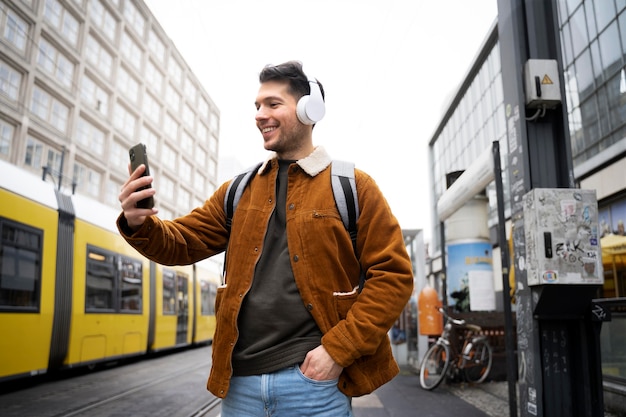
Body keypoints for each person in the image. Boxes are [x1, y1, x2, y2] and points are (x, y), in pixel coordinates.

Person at [117, 60, 414, 416]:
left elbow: (393, 277)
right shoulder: (238, 191)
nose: (260, 114)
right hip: (239, 386)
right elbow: (179, 242)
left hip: (314, 386)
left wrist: (336, 352)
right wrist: (139, 223)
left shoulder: (353, 186)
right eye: (257, 106)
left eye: (273, 104)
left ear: (309, 109)